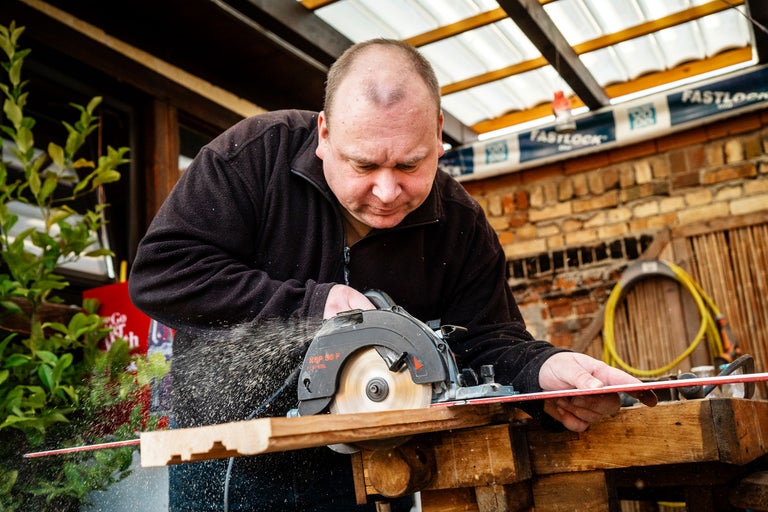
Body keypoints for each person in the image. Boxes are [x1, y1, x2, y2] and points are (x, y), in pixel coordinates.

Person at [129, 38, 657, 512]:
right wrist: (315, 307)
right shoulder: (252, 156)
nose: (387, 192)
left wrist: (544, 372)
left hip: (373, 469)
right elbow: (162, 274)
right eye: (363, 166)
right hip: (223, 456)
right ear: (324, 134)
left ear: (438, 140)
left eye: (409, 166)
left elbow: (488, 340)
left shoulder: (460, 224)